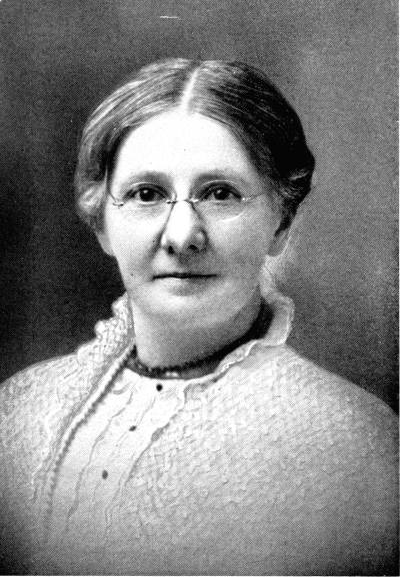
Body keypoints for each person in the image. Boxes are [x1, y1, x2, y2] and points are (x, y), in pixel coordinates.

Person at [0, 59, 397, 576]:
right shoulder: (19, 410)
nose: (182, 235)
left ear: (281, 223)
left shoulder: (358, 446)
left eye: (220, 193)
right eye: (147, 194)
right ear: (101, 224)